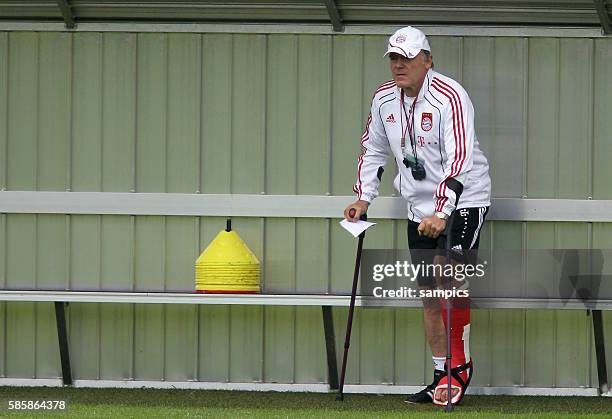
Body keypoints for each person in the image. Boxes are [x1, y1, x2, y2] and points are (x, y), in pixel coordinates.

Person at [344, 26, 491, 406]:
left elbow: (459, 160)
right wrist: (364, 198)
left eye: (407, 58)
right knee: (428, 295)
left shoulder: (450, 96)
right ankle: (439, 374)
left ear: (427, 60)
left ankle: (460, 369)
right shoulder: (383, 99)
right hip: (419, 207)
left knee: (448, 279)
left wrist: (443, 210)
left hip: (463, 200)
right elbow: (373, 150)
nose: (399, 65)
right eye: (394, 58)